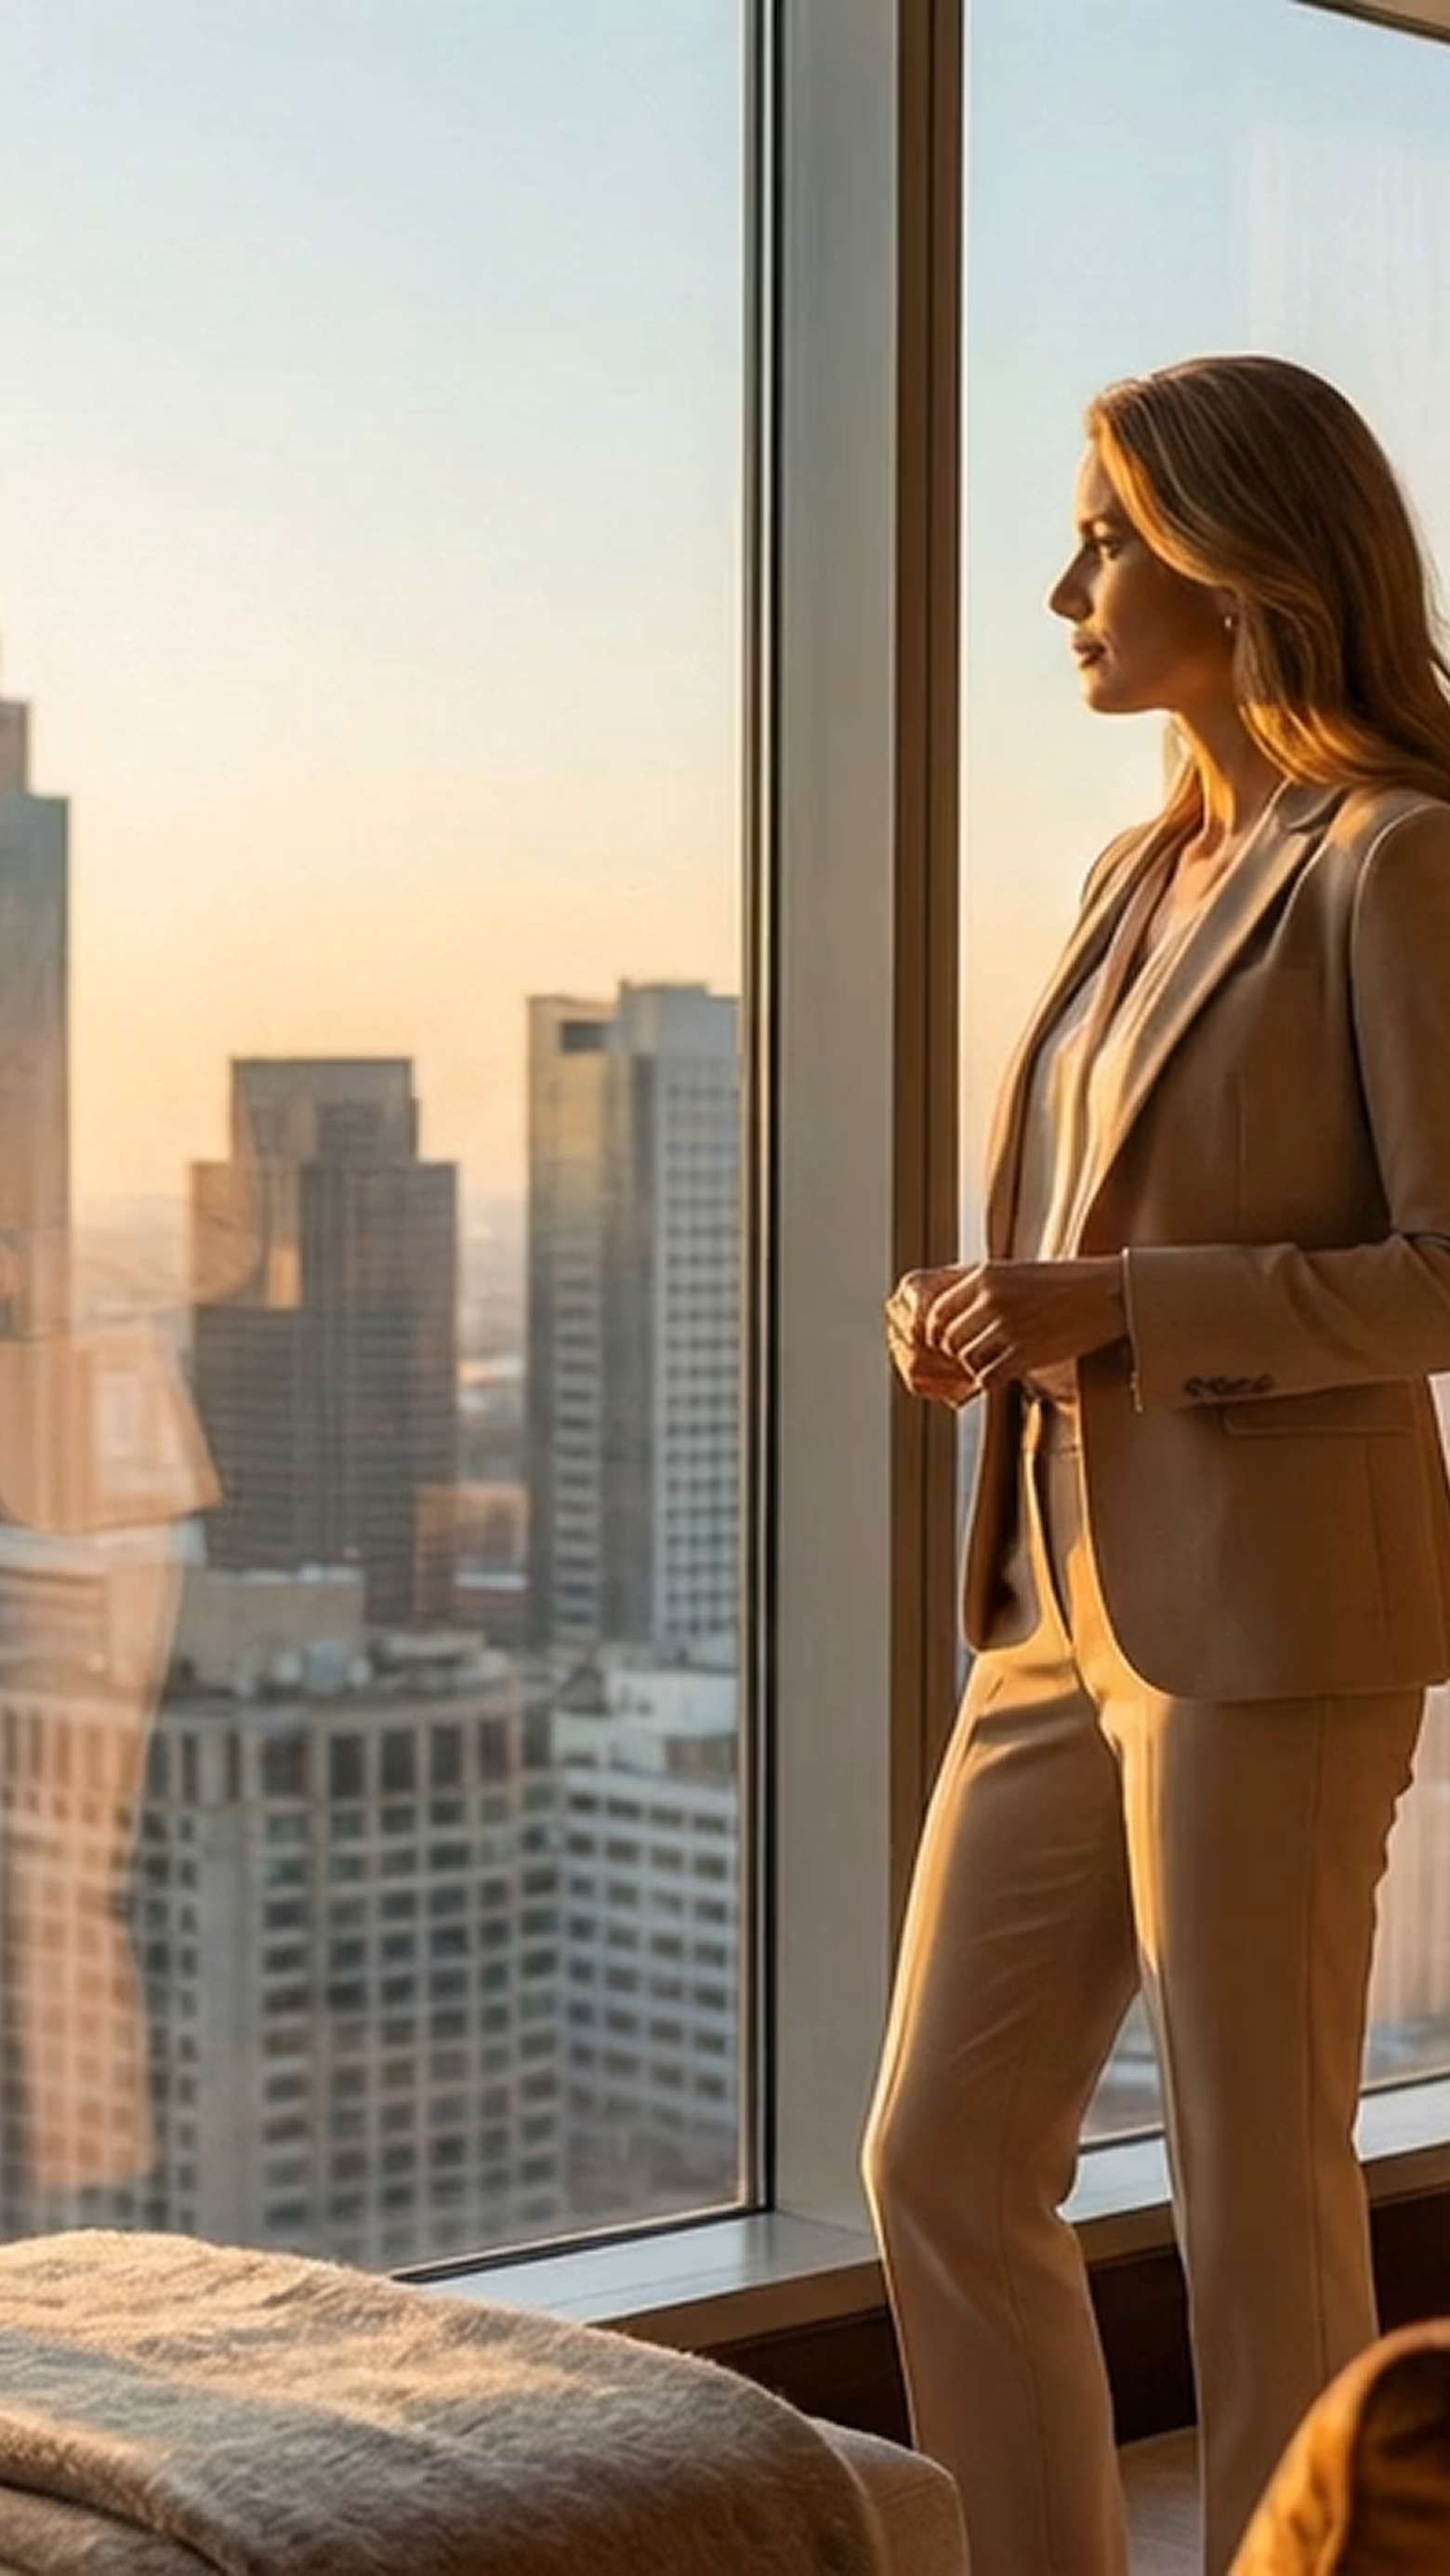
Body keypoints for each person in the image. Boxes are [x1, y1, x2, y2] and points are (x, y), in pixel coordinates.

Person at [862, 352, 1450, 2576]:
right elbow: (1110, 1227)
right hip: (1059, 1608)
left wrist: (1130, 1310)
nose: (1065, 586)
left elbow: (1446, 1274)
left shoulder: (1397, 860)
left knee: (1254, 2194)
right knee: (938, 2156)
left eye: (1106, 535)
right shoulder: (1138, 867)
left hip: (1277, 1618)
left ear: (1244, 554)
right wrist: (994, 1304)